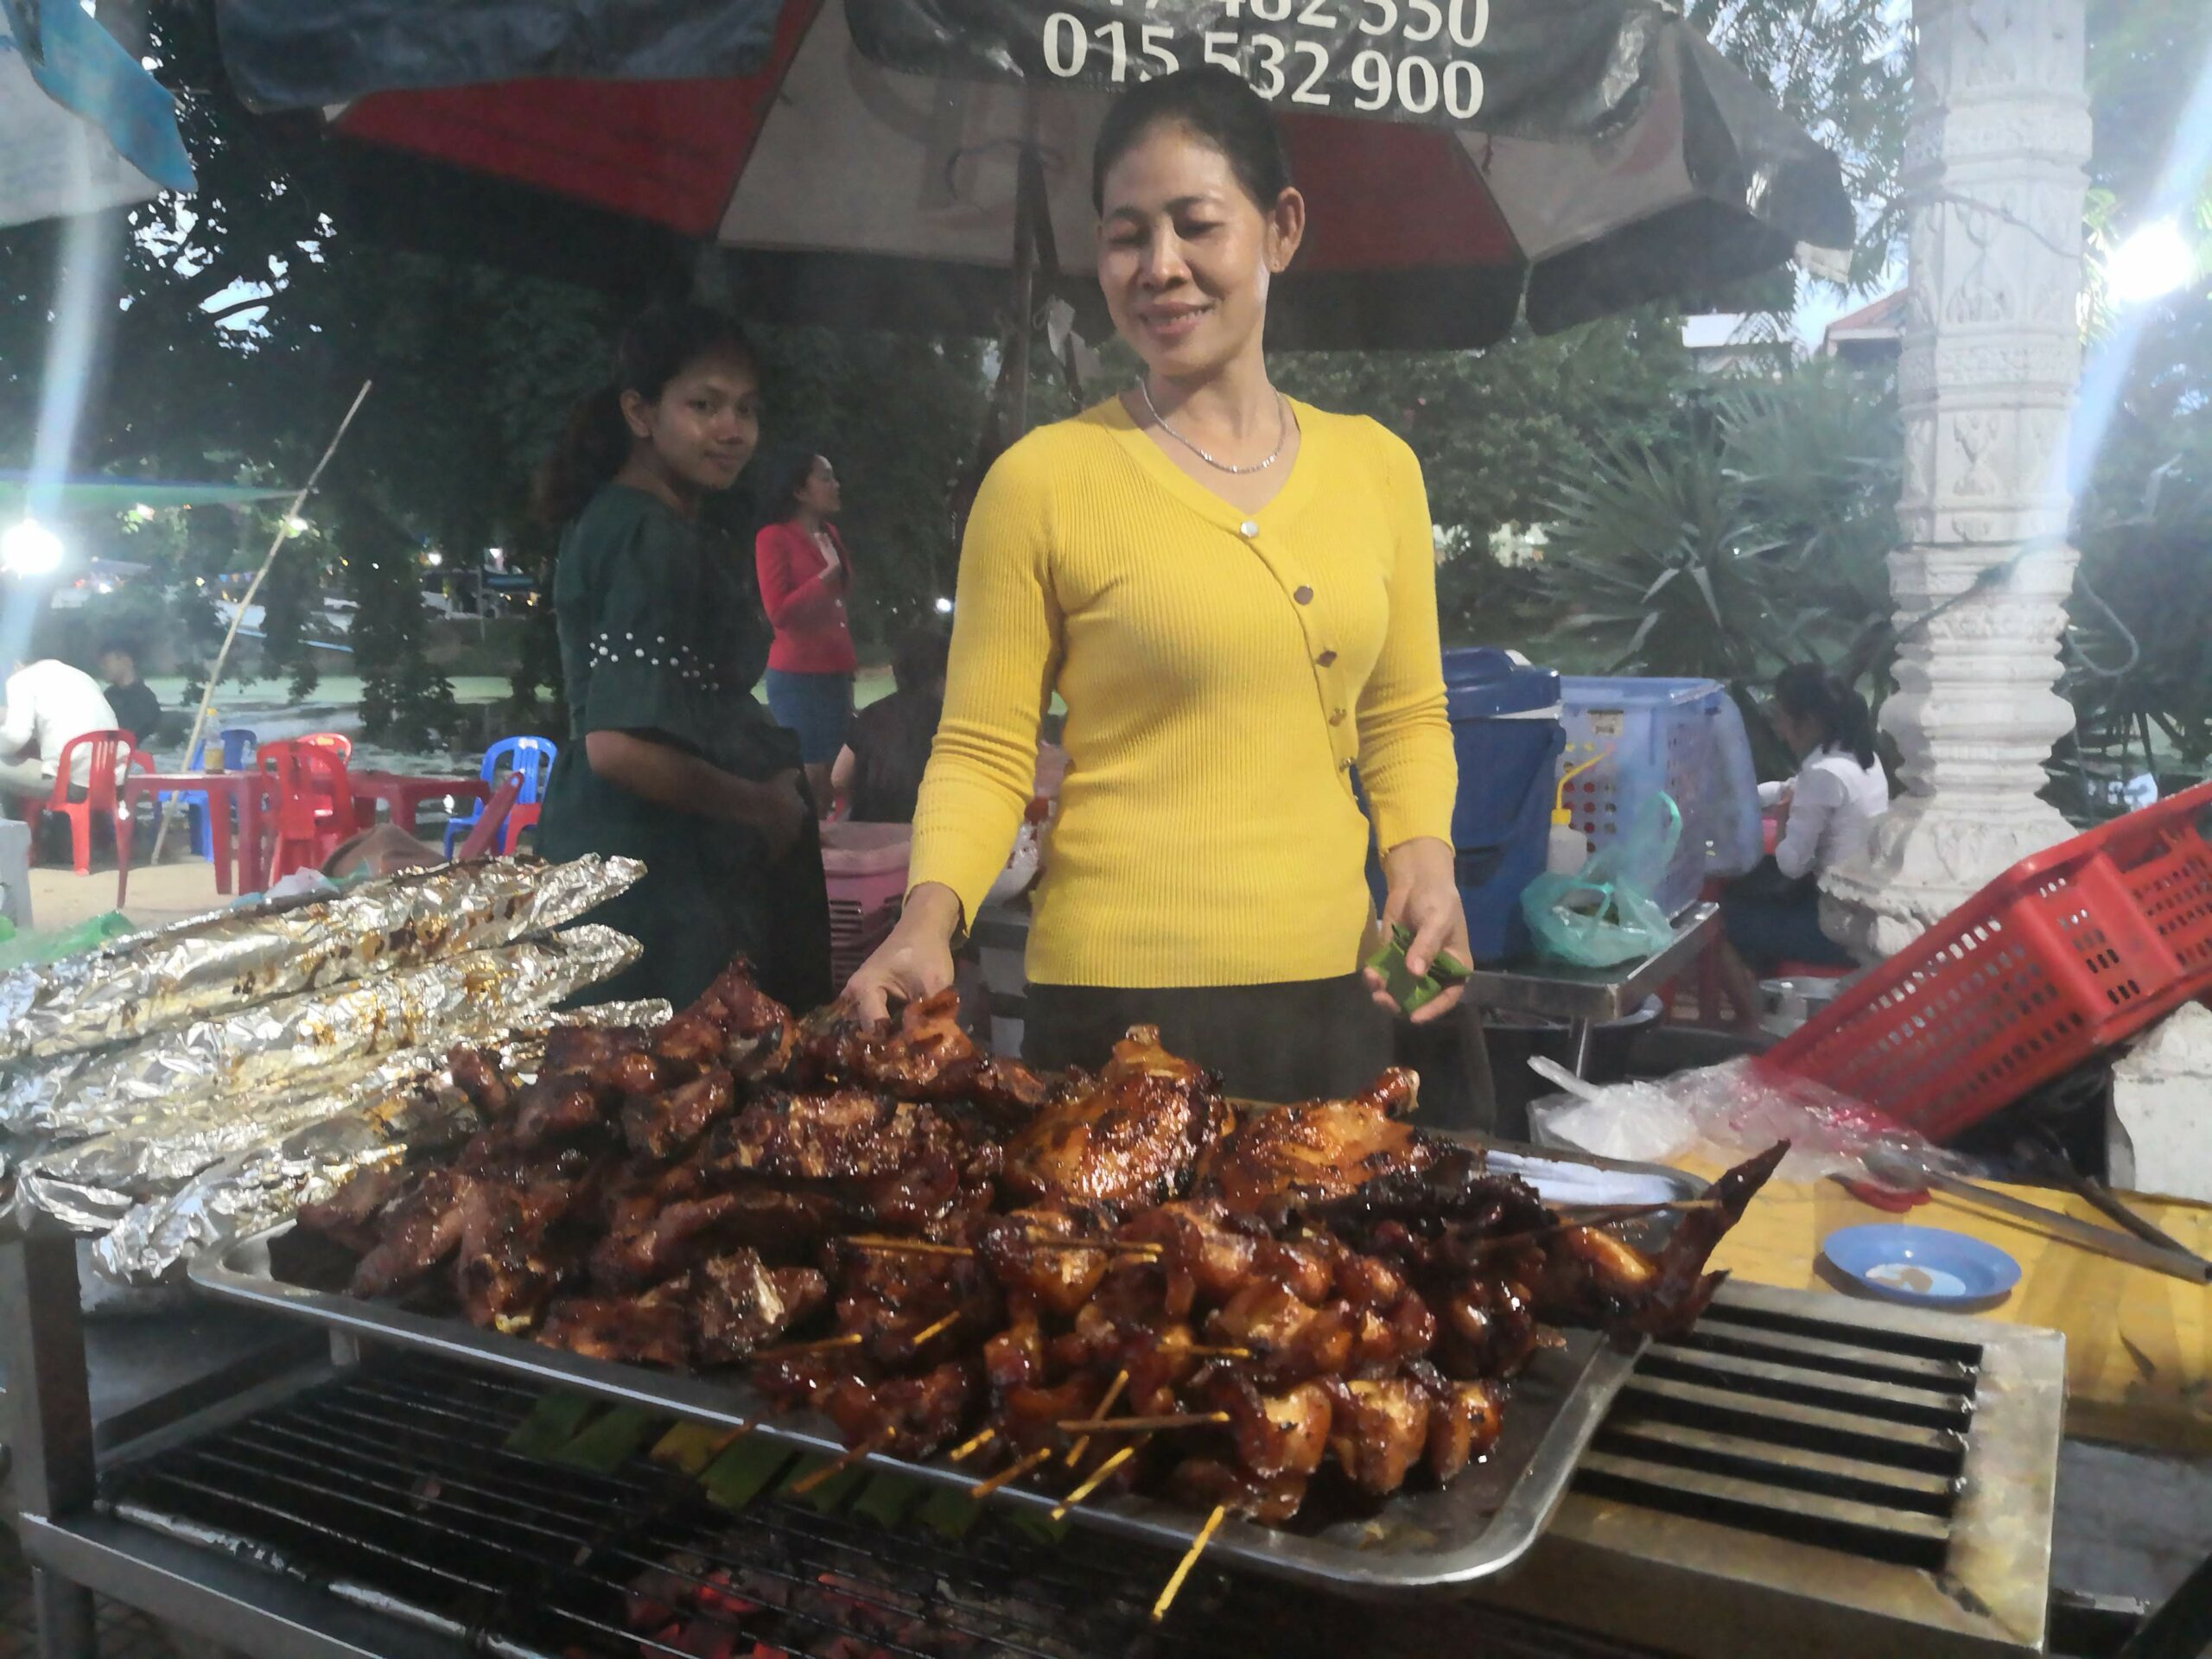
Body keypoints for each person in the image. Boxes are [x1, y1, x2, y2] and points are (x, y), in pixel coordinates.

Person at [845, 67, 1470, 1103]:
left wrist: (1426, 857)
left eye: (1196, 225)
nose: (1160, 266)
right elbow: (985, 746)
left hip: (1335, 993)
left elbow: (1404, 712)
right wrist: (928, 917)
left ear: (1280, 229)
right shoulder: (1043, 480)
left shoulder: (1378, 469)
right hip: (1112, 1008)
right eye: (1128, 234)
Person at [533, 302, 832, 1012]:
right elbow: (617, 747)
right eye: (704, 405)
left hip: (637, 863)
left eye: (746, 409)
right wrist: (761, 806)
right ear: (641, 412)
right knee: (671, 1090)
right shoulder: (647, 537)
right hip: (655, 882)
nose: (732, 431)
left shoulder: (625, 519)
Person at [1716, 664, 1890, 1032]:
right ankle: (1764, 1001)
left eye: (1780, 718)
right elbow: (1788, 788)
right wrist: (1733, 798)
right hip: (1861, 909)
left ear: (1807, 721)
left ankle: (1750, 1025)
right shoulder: (1858, 758)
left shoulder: (1824, 774)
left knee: (1715, 921)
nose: (1777, 729)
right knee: (1749, 895)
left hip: (1835, 927)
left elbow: (1791, 864)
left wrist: (1780, 820)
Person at [754, 448, 858, 807]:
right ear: (799, 490)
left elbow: (839, 602)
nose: (835, 484)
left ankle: (836, 859)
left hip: (836, 671)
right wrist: (825, 575)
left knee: (838, 776)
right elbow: (778, 612)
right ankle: (808, 855)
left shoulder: (830, 534)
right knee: (812, 778)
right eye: (826, 477)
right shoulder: (773, 537)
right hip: (799, 675)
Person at [834, 620, 950, 823]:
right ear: (943, 673)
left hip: (869, 830)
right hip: (932, 832)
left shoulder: (871, 714)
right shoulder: (953, 722)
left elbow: (838, 778)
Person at [0, 658, 120, 801]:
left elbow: (15, 737)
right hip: (110, 785)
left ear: (17, 665)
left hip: (70, 785)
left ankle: (13, 820)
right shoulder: (82, 677)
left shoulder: (20, 679)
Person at [97, 639, 160, 747]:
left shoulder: (144, 700)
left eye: (106, 662)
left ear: (126, 661)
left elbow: (132, 738)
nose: (102, 667)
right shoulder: (108, 696)